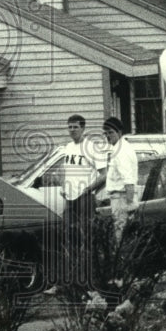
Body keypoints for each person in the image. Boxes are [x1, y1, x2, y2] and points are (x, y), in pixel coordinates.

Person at [58, 114, 102, 287]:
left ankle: (90, 278)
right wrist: (63, 186)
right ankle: (73, 278)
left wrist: (88, 189)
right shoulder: (68, 147)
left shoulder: (90, 148)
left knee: (87, 238)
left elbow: (104, 174)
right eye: (69, 127)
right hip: (70, 198)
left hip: (85, 197)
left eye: (75, 127)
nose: (72, 130)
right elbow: (65, 170)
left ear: (83, 128)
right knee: (69, 237)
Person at [102, 116, 137, 240]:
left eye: (110, 132)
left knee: (121, 234)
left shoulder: (122, 151)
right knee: (120, 232)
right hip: (117, 197)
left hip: (122, 198)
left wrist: (129, 205)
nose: (107, 136)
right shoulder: (117, 148)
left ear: (119, 132)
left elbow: (129, 181)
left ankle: (122, 258)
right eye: (105, 133)